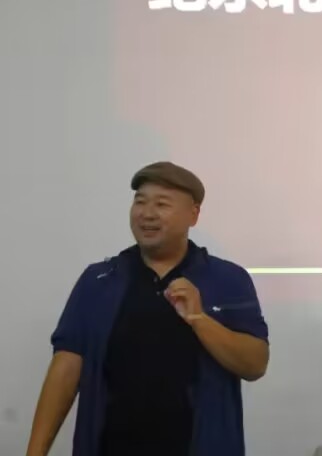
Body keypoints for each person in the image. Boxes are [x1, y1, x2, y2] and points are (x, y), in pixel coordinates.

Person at [25, 161, 270, 456]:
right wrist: (35, 452)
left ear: (193, 214)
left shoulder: (227, 279)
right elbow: (66, 367)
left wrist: (199, 319)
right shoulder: (100, 280)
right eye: (140, 202)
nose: (147, 213)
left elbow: (255, 364)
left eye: (162, 204)